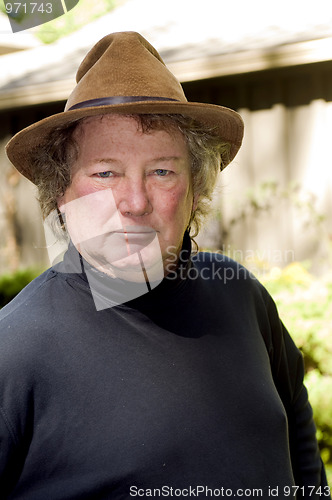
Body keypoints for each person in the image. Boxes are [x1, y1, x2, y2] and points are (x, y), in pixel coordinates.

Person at [0, 31, 330, 500]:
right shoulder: (14, 350)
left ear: (195, 190)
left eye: (162, 171)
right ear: (60, 193)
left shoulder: (242, 296)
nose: (134, 202)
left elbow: (303, 458)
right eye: (105, 172)